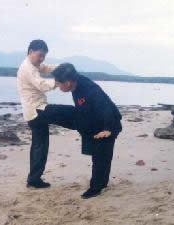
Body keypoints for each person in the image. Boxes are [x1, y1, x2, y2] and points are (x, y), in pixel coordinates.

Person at [52, 63, 122, 199]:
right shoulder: (75, 84)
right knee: (55, 111)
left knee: (101, 157)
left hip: (107, 123)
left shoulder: (90, 89)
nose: (57, 86)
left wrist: (108, 129)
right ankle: (101, 184)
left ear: (67, 82)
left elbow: (106, 106)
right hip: (91, 119)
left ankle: (96, 188)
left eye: (58, 83)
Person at [17, 40, 77, 189]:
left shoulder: (35, 65)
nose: (42, 58)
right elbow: (42, 85)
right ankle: (84, 124)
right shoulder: (27, 68)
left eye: (44, 56)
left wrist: (63, 68)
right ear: (31, 51)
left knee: (39, 146)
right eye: (40, 55)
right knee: (67, 113)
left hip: (34, 111)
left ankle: (33, 179)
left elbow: (47, 68)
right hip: (36, 110)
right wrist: (60, 81)